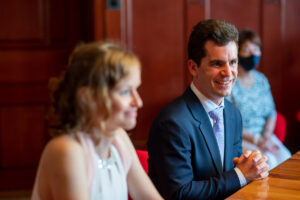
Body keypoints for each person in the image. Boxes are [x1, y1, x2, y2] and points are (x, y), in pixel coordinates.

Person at [147, 19, 269, 200]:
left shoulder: (233, 114)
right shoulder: (172, 122)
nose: (228, 72)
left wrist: (251, 166)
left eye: (233, 62)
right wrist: (241, 175)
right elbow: (180, 194)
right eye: (217, 64)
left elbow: (231, 176)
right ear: (193, 67)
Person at [31, 41, 163, 200]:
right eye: (125, 91)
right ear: (88, 98)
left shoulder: (118, 138)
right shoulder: (67, 150)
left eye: (136, 89)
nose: (138, 101)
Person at [227, 29, 291, 169]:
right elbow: (229, 122)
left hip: (264, 136)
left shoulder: (261, 80)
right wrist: (257, 140)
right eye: (246, 49)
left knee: (287, 160)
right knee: (269, 163)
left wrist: (266, 137)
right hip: (240, 138)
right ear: (237, 53)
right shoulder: (229, 82)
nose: (252, 54)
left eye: (256, 49)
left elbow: (271, 113)